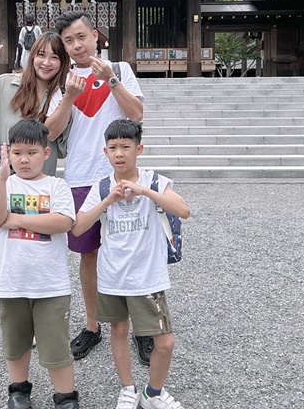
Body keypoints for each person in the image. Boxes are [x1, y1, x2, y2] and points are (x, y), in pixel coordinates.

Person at [0, 33, 70, 385]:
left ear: (62, 63)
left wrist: (67, 101)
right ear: (31, 54)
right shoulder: (5, 84)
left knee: (33, 254)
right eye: (41, 54)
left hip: (41, 190)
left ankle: (28, 323)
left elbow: (56, 141)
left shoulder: (62, 96)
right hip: (0, 187)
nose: (46, 62)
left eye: (55, 57)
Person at [45, 10, 145, 362]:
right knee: (88, 255)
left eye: (81, 37)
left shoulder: (121, 68)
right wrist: (70, 96)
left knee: (130, 249)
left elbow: (136, 115)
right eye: (69, 41)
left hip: (121, 175)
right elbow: (51, 133)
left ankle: (141, 327)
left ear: (96, 35)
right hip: (80, 176)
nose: (76, 45)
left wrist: (112, 80)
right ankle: (92, 325)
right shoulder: (64, 81)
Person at [72, 119, 190, 409]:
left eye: (126, 146)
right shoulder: (101, 187)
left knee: (164, 341)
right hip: (112, 275)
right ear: (105, 152)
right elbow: (77, 227)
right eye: (113, 148)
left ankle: (153, 392)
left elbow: (184, 210)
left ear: (139, 148)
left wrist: (145, 192)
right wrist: (107, 201)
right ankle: (128, 389)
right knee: (118, 331)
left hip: (147, 276)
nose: (119, 153)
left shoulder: (153, 181)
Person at [0, 120, 80, 409]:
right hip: (12, 282)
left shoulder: (57, 186)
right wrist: (0, 178)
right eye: (17, 153)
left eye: (32, 152)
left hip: (50, 284)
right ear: (8, 154)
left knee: (56, 345)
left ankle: (65, 396)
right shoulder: (2, 184)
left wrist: (18, 219)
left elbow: (62, 222)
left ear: (46, 153)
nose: (24, 159)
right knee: (16, 342)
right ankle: (18, 390)